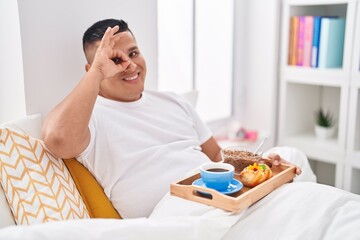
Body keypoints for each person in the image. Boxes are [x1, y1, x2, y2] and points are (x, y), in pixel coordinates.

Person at [42, 18, 307, 219]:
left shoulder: (174, 101)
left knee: (290, 156)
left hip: (222, 196)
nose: (130, 65)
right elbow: (57, 139)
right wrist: (98, 72)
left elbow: (219, 158)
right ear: (93, 70)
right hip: (175, 212)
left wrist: (258, 165)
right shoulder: (90, 116)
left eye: (133, 53)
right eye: (115, 59)